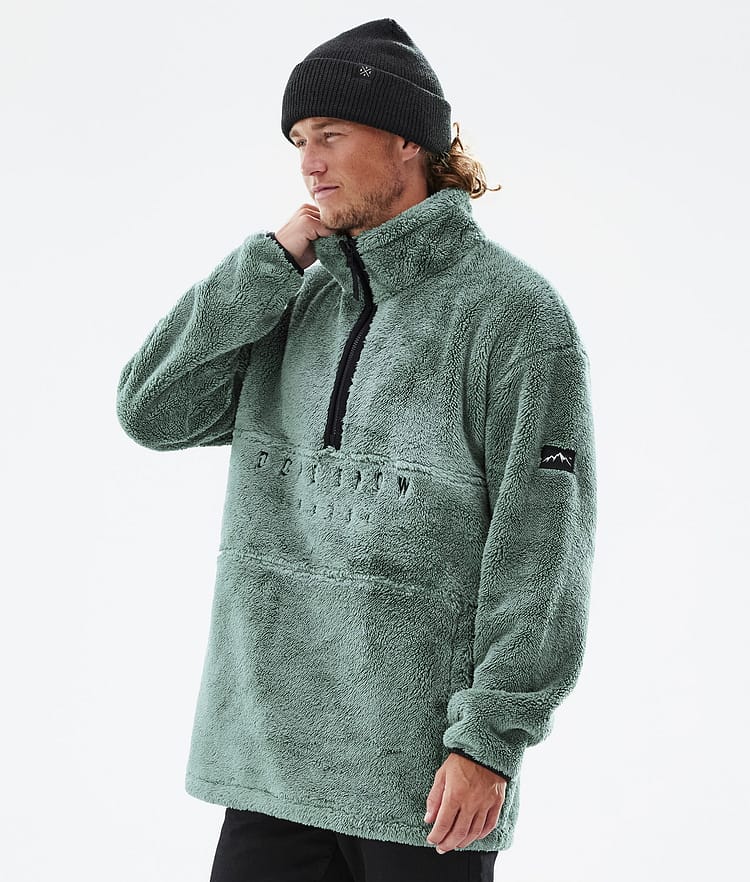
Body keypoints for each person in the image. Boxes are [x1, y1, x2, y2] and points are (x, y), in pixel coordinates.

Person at [116, 17, 597, 882]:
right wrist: (268, 263)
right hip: (266, 765)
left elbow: (541, 553)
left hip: (422, 784)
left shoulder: (515, 317)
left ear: (408, 140)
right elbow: (151, 409)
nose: (309, 163)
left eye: (331, 134)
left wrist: (489, 742)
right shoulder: (289, 298)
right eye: (299, 140)